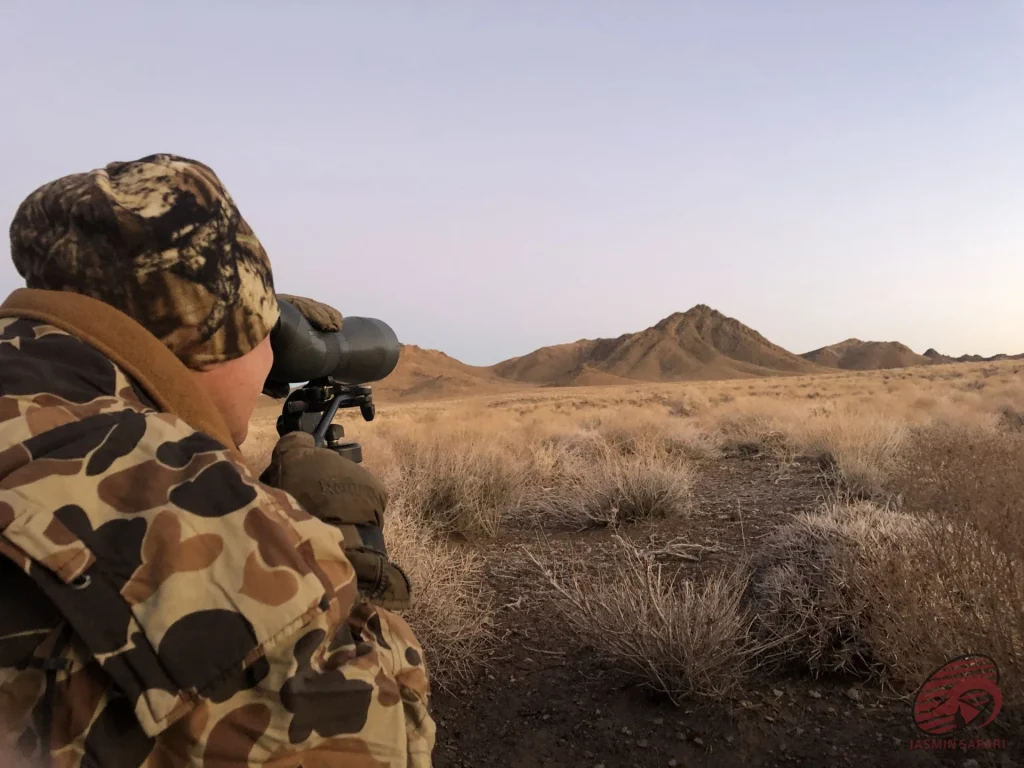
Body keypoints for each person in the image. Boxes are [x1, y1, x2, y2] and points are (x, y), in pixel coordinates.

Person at [0, 155, 435, 767]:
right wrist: (330, 556)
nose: (267, 368)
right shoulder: (206, 530)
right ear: (216, 336)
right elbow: (370, 745)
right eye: (263, 336)